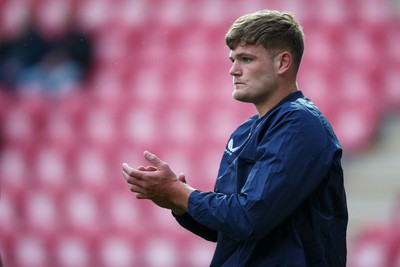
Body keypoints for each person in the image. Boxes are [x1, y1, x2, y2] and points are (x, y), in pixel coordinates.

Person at [122, 9, 348, 266]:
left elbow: (249, 217)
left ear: (283, 63)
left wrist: (180, 192)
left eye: (246, 59)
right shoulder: (245, 131)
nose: (233, 70)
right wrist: (178, 203)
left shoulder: (300, 124)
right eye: (232, 59)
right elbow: (228, 227)